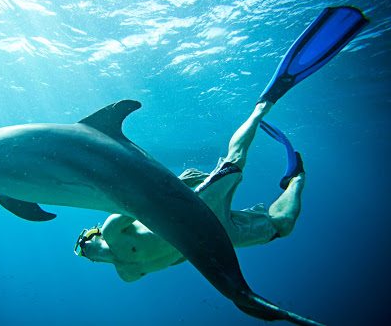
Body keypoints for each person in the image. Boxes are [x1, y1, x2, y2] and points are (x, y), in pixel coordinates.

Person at [74, 100, 305, 282]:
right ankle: (296, 179)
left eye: (81, 244)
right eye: (80, 252)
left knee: (235, 161)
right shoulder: (129, 275)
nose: (83, 251)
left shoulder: (112, 231)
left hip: (197, 208)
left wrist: (179, 182)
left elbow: (145, 200)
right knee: (281, 227)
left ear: (94, 235)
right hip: (210, 236)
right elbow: (176, 257)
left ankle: (260, 109)